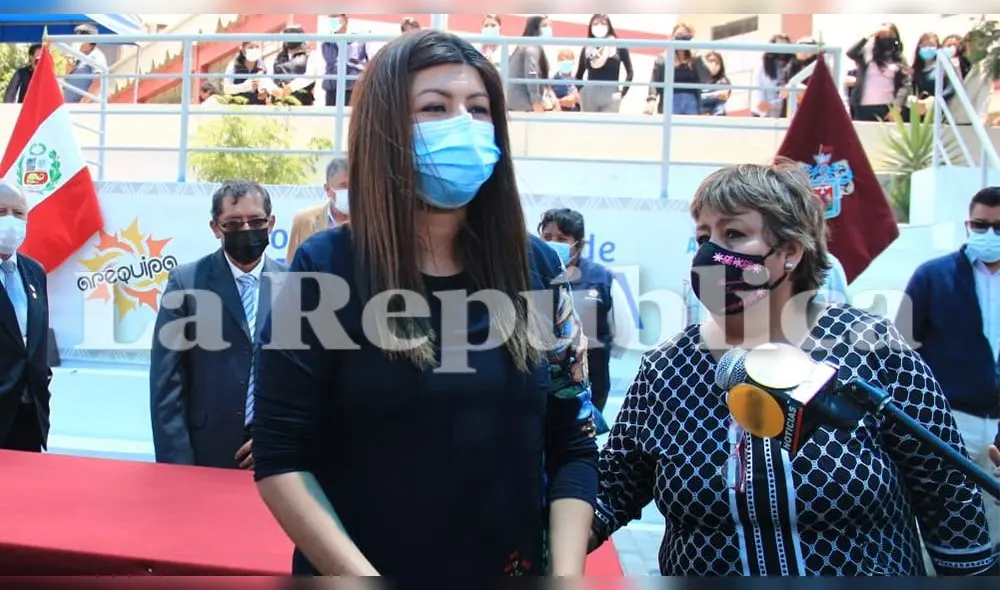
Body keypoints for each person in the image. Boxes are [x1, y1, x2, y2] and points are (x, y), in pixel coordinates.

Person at [252, 29, 598, 577]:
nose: (463, 124)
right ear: (386, 129)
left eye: (479, 109)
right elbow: (281, 459)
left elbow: (574, 441)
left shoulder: (537, 268)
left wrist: (567, 576)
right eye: (435, 107)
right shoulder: (324, 269)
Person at [591, 162, 998, 576]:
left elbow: (947, 493)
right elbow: (611, 489)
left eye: (733, 234)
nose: (710, 254)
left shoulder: (874, 350)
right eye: (703, 237)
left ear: (789, 251)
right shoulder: (667, 369)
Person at [150, 181, 286, 469]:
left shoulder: (294, 284)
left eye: (256, 221)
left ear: (271, 223)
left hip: (277, 453)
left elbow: (308, 380)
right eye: (234, 224)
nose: (247, 230)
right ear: (215, 228)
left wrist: (280, 438)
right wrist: (176, 466)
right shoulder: (186, 283)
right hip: (206, 452)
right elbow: (167, 382)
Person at [897, 186, 1000, 551]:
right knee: (951, 522)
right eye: (980, 224)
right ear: (968, 224)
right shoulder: (933, 277)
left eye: (999, 227)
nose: (989, 235)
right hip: (951, 419)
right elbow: (902, 347)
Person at [538, 208, 629, 415]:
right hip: (541, 384)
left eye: (561, 238)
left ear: (578, 244)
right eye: (547, 237)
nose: (553, 243)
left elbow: (622, 331)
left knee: (581, 439)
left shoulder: (601, 278)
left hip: (590, 383)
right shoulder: (532, 274)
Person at [0, 182, 51, 453]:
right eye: (1, 211)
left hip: (29, 416)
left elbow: (37, 343)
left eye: (18, 213)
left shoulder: (34, 271)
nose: (10, 220)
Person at [286, 157, 349, 263]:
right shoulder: (304, 221)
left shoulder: (371, 224)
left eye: (355, 185)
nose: (350, 191)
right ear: (328, 189)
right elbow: (292, 268)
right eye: (344, 186)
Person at [846, 23, 910, 122]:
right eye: (883, 35)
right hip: (863, 107)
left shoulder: (900, 59)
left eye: (891, 35)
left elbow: (905, 84)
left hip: (887, 108)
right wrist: (869, 35)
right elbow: (851, 52)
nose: (887, 38)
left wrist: (897, 106)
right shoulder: (867, 53)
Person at [574, 14, 633, 114]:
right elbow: (578, 75)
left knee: (608, 127)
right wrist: (582, 92)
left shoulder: (618, 46)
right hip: (590, 93)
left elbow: (630, 72)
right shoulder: (587, 48)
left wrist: (622, 93)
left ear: (609, 26)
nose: (599, 26)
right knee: (590, 127)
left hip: (611, 93)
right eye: (595, 24)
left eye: (603, 23)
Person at [317, 14, 369, 106]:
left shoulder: (359, 39)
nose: (333, 20)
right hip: (332, 89)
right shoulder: (327, 42)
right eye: (331, 17)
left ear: (345, 19)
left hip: (353, 89)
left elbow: (370, 62)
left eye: (336, 16)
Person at [507, 15, 553, 112]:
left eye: (549, 26)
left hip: (516, 101)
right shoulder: (531, 47)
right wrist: (536, 101)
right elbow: (531, 73)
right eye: (544, 26)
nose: (548, 29)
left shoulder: (524, 45)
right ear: (535, 27)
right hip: (523, 103)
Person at [63, 24, 108, 104]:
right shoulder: (79, 56)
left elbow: (98, 83)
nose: (76, 40)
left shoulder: (96, 56)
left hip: (86, 108)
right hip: (72, 106)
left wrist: (83, 104)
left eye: (80, 37)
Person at [272, 26, 315, 106]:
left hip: (302, 101)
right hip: (280, 100)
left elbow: (310, 77)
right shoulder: (279, 57)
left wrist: (291, 87)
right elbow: (274, 77)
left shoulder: (309, 55)